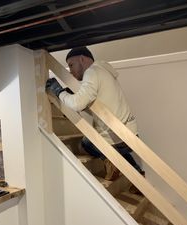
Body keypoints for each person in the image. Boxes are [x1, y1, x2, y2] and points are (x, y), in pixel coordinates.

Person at [46, 47, 144, 190]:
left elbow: (77, 103)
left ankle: (112, 164)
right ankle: (138, 174)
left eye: (71, 65)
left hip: (117, 136)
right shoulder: (102, 71)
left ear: (82, 59)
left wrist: (58, 91)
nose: (70, 71)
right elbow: (93, 106)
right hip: (128, 133)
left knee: (86, 143)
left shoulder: (92, 72)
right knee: (114, 149)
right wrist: (70, 97)